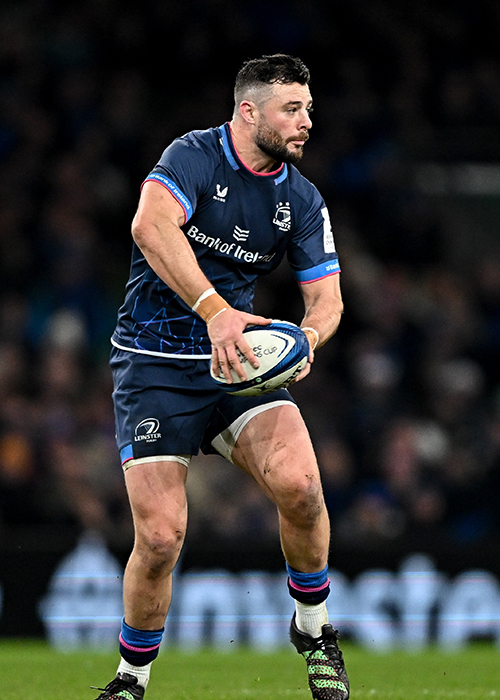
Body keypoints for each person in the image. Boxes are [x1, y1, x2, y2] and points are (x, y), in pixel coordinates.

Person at [93, 54, 348, 700]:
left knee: (303, 485)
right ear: (249, 111)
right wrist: (216, 313)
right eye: (293, 108)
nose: (306, 121)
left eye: (309, 109)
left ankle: (314, 630)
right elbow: (150, 225)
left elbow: (329, 300)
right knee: (158, 537)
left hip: (237, 368)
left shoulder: (301, 198)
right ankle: (131, 680)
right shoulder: (194, 157)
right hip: (156, 364)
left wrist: (308, 338)